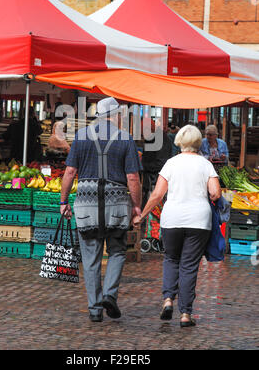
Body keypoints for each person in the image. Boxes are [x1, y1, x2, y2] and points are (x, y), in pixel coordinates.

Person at [60, 97, 142, 323]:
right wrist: (137, 206)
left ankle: (95, 309)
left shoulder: (81, 137)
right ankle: (109, 295)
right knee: (117, 251)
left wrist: (63, 201)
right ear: (115, 115)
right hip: (116, 204)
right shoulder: (125, 139)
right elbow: (133, 177)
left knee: (91, 257)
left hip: (87, 205)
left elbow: (69, 172)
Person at [133, 124, 221, 327]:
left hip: (172, 219)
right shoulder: (206, 164)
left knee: (171, 259)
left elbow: (157, 195)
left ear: (179, 141)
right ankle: (185, 314)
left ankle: (167, 300)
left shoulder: (171, 164)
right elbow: (215, 192)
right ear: (198, 142)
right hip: (199, 221)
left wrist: (141, 215)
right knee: (189, 266)